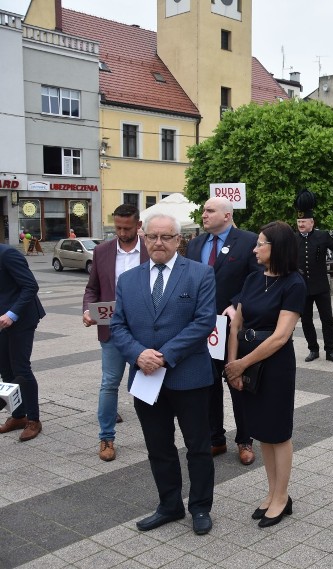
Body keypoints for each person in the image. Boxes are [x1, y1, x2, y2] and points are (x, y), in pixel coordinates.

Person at [110, 213, 217, 536]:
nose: (158, 243)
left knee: (198, 446)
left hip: (189, 377)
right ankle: (169, 505)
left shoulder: (200, 274)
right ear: (144, 238)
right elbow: (117, 325)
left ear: (178, 240)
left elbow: (204, 322)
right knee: (158, 447)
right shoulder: (128, 280)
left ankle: (200, 507)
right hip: (145, 379)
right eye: (153, 237)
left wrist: (165, 356)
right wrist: (138, 354)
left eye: (166, 237)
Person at [224, 221, 306, 528]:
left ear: (278, 248)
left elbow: (280, 337)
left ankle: (282, 497)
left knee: (278, 432)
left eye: (261, 243)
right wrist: (232, 364)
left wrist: (241, 365)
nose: (255, 248)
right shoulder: (253, 278)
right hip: (245, 360)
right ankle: (272, 492)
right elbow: (236, 324)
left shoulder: (294, 283)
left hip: (274, 365)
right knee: (261, 431)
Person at [186, 197, 262, 466]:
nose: (203, 215)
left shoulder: (248, 241)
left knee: (237, 383)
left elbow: (257, 278)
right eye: (204, 211)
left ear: (227, 215)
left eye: (209, 211)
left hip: (234, 328)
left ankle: (245, 440)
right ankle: (215, 438)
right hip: (203, 329)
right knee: (208, 385)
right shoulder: (195, 244)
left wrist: (236, 304)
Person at [83, 204, 149, 461]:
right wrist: (88, 310)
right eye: (117, 227)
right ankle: (106, 437)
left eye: (127, 228)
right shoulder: (102, 251)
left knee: (144, 384)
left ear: (138, 225)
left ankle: (153, 435)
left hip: (144, 331)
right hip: (111, 330)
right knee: (109, 383)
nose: (121, 232)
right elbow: (92, 289)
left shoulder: (150, 249)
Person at [294, 189, 333, 363]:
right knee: (306, 321)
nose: (301, 224)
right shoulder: (293, 238)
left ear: (312, 222)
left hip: (320, 286)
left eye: (304, 221)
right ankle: (313, 349)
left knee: (327, 319)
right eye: (298, 221)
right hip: (302, 288)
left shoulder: (322, 236)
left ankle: (330, 350)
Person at [0, 243, 46, 441]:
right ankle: (18, 415)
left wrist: (12, 314)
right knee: (6, 369)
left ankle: (33, 420)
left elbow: (30, 286)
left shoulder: (8, 254)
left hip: (21, 318)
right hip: (1, 321)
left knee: (21, 368)